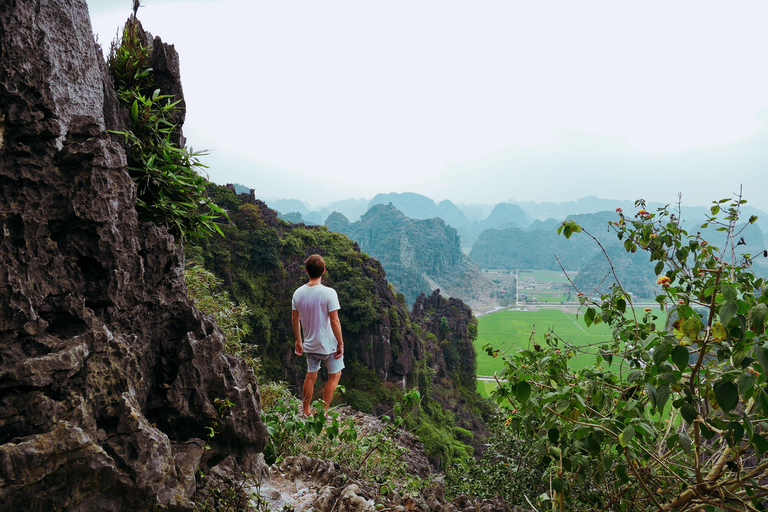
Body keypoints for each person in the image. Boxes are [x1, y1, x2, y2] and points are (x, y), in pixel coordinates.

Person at [292, 254, 344, 416]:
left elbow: (295, 320)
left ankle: (306, 411)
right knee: (335, 375)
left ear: (307, 271)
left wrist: (298, 341)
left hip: (310, 344)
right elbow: (335, 322)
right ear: (323, 271)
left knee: (311, 376)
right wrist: (340, 344)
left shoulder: (298, 293)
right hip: (329, 345)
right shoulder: (329, 293)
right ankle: (323, 412)